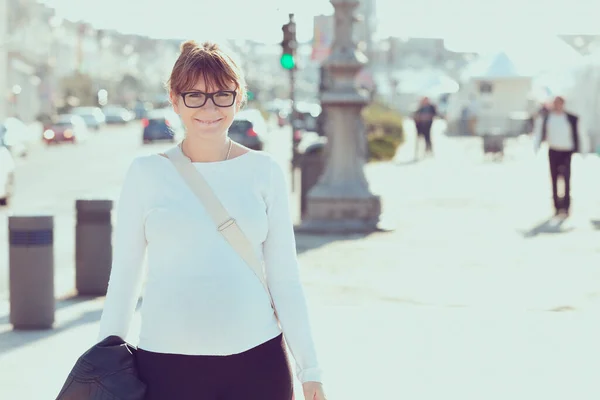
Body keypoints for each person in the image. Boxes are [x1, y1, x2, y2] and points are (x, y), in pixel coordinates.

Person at [97, 40, 326, 400]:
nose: (209, 107)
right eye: (195, 95)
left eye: (222, 94)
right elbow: (124, 277)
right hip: (165, 366)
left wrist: (310, 370)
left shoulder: (264, 171)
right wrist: (100, 371)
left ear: (239, 97)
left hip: (258, 362)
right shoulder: (146, 173)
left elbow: (285, 278)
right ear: (174, 99)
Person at [533, 96, 586, 217]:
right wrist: (536, 147)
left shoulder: (571, 118)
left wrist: (583, 150)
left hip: (566, 151)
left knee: (566, 179)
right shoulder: (547, 118)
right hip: (553, 150)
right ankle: (556, 207)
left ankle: (566, 206)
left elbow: (580, 133)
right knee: (554, 179)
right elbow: (539, 132)